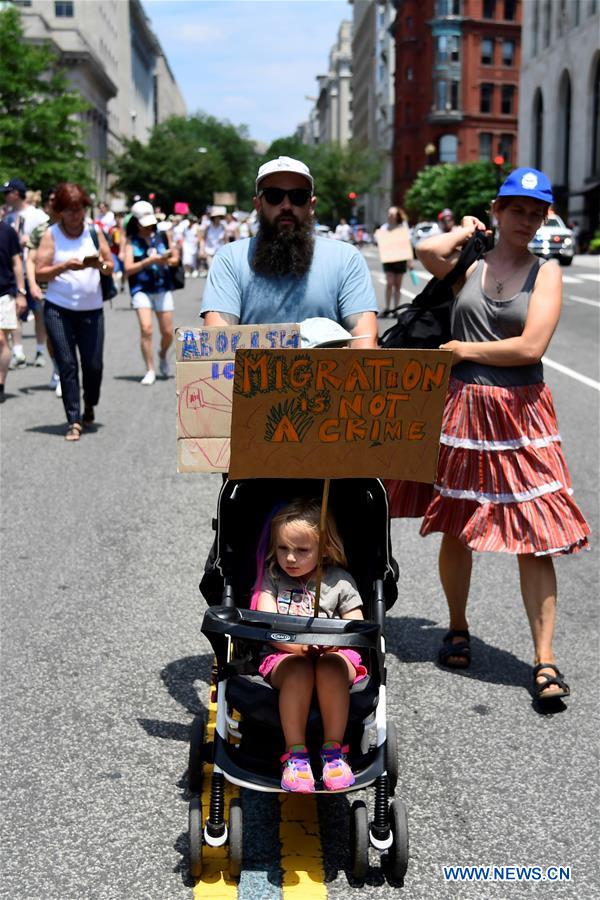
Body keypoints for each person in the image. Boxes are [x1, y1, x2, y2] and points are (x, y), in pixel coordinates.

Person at [400, 167, 590, 702]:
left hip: (520, 411)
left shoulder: (545, 273)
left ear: (543, 217)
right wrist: (465, 230)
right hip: (461, 411)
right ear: (498, 210)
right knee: (458, 525)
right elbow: (426, 253)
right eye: (517, 209)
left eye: (536, 212)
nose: (526, 220)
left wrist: (463, 350)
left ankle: (545, 660)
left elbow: (531, 348)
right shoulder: (471, 264)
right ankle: (457, 628)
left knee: (537, 535)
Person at [200, 156, 378, 348]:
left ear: (311, 205)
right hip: (252, 378)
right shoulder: (230, 259)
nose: (286, 206)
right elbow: (217, 345)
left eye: (298, 197)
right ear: (258, 205)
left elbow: (364, 342)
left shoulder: (346, 259)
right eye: (274, 196)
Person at [254, 498, 366, 792]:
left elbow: (356, 625)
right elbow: (268, 623)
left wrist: (330, 644)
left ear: (324, 549)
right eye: (283, 548)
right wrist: (300, 648)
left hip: (334, 653)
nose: (290, 558)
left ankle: (333, 752)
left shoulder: (340, 582)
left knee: (330, 667)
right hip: (285, 654)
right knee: (298, 670)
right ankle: (296, 755)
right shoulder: (273, 578)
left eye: (302, 550)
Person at [35, 183, 114, 441]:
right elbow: (39, 272)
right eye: (70, 211)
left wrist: (102, 266)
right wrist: (64, 266)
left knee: (93, 365)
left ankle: (90, 403)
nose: (75, 215)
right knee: (67, 364)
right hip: (59, 309)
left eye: (79, 209)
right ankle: (74, 420)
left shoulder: (93, 232)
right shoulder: (52, 235)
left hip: (92, 310)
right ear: (59, 212)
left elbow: (110, 264)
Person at [124, 200, 180, 385]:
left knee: (167, 332)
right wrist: (148, 261)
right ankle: (150, 369)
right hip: (141, 289)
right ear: (136, 222)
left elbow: (175, 260)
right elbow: (128, 268)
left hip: (162, 287)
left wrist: (164, 260)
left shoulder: (162, 236)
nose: (149, 227)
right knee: (146, 329)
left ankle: (162, 355)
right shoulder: (131, 241)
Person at [2, 177, 49, 368]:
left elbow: (49, 234)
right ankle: (18, 352)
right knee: (14, 311)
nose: (5, 197)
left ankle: (40, 350)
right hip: (13, 271)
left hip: (33, 270)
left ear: (16, 193)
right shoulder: (7, 217)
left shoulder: (37, 215)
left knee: (39, 311)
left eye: (7, 192)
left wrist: (31, 240)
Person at [0, 219, 27, 402]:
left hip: (4, 292)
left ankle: (0, 383)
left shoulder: (7, 231)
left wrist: (21, 292)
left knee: (1, 339)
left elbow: (17, 262)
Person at [379, 206, 412, 317]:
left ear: (396, 216)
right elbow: (380, 242)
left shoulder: (402, 227)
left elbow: (407, 244)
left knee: (398, 286)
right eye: (389, 214)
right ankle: (387, 308)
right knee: (389, 284)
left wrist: (410, 261)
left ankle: (395, 309)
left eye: (392, 214)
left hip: (400, 259)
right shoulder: (384, 228)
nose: (389, 216)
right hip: (389, 259)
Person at [199, 206, 227, 271]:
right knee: (211, 268)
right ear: (213, 218)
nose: (218, 219)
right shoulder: (208, 226)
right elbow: (202, 239)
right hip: (209, 251)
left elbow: (226, 240)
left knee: (219, 269)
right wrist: (201, 250)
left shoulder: (223, 226)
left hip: (220, 252)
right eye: (216, 217)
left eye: (219, 217)